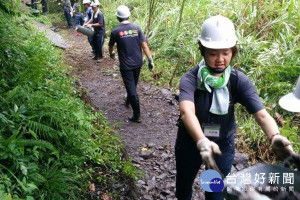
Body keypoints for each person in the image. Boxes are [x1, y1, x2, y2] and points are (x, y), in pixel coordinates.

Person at [175, 15, 295, 200]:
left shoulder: (237, 81)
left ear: (233, 51)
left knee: (215, 191)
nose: (220, 59)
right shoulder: (191, 79)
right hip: (191, 143)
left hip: (221, 146)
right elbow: (186, 112)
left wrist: (275, 136)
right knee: (184, 187)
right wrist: (201, 140)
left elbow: (261, 115)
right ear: (203, 51)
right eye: (213, 53)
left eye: (226, 53)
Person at [108, 5, 154, 123]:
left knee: (132, 89)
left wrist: (112, 54)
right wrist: (150, 59)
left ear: (118, 18)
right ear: (129, 15)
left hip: (126, 66)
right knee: (132, 85)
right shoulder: (136, 28)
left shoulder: (115, 31)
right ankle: (128, 101)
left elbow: (111, 46)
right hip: (138, 63)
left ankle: (137, 115)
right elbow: (144, 45)